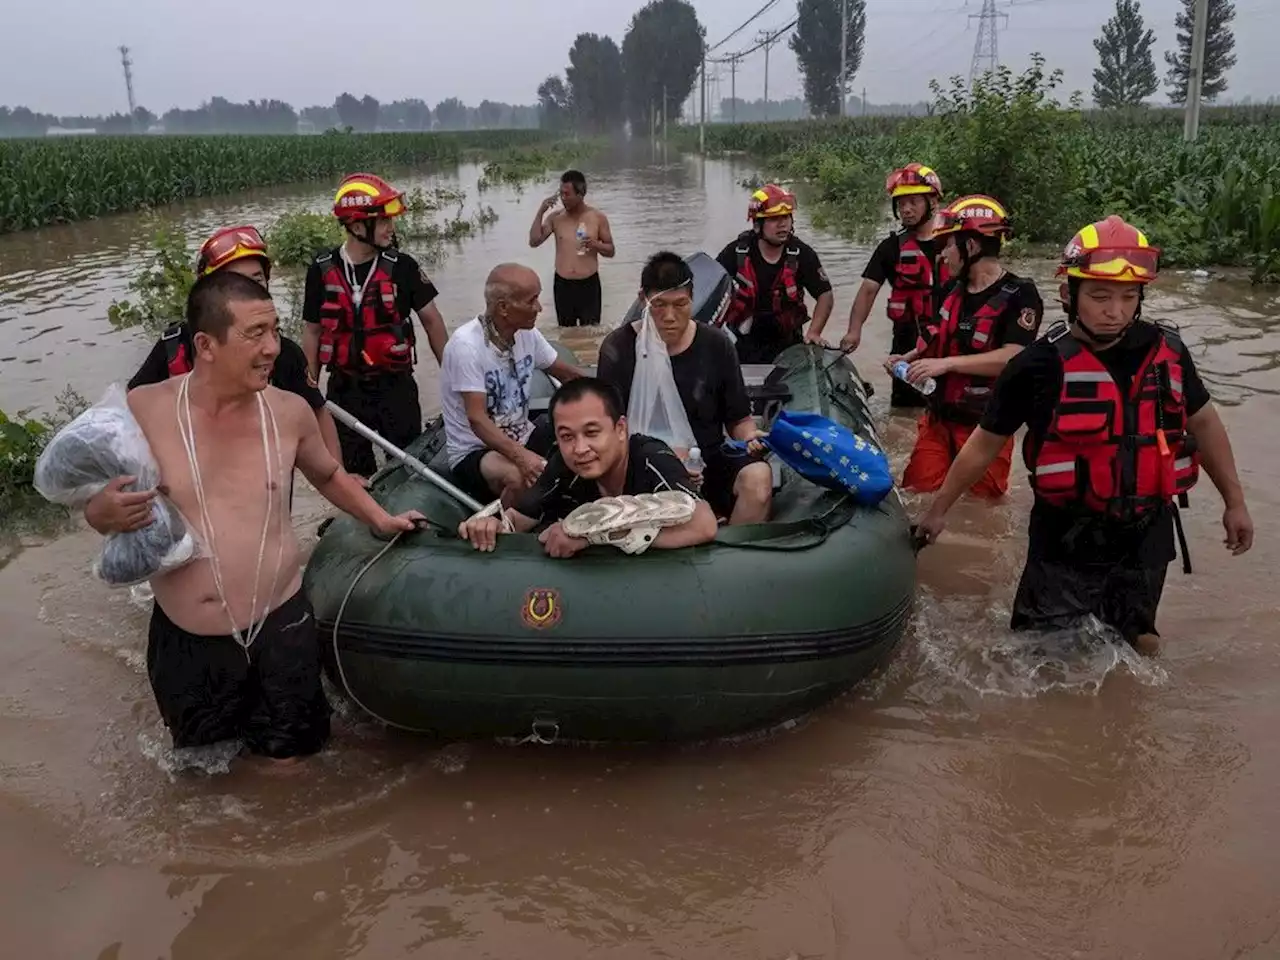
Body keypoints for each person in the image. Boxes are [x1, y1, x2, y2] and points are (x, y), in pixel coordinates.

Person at [82, 270, 426, 761]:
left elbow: (329, 476)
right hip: (188, 641)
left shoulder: (288, 413)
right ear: (206, 345)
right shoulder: (144, 409)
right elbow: (92, 497)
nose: (273, 348)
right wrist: (101, 512)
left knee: (294, 769)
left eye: (275, 330)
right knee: (203, 778)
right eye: (255, 334)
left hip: (280, 626)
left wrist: (379, 519)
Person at [914, 215, 1254, 655]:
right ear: (1067, 295)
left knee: (1138, 646)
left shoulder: (1168, 352)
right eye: (1099, 296)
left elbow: (1204, 423)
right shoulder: (1037, 366)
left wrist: (1236, 503)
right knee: (1042, 657)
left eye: (1129, 297)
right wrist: (939, 510)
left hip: (1145, 532)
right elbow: (984, 443)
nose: (1115, 312)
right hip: (1064, 539)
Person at [127, 225, 341, 462]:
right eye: (237, 282)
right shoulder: (175, 346)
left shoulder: (283, 352)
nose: (251, 290)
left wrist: (339, 473)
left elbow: (317, 412)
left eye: (257, 279)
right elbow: (128, 414)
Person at [597, 251, 772, 525]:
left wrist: (752, 438)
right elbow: (608, 429)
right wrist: (665, 459)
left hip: (706, 462)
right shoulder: (618, 349)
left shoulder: (716, 345)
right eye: (659, 305)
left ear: (692, 297)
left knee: (759, 478)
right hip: (642, 468)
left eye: (680, 304)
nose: (669, 316)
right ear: (643, 299)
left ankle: (733, 560)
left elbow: (738, 420)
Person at [888, 194, 1044, 500]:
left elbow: (1015, 355)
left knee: (982, 509)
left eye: (948, 245)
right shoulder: (949, 290)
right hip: (938, 418)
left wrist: (947, 365)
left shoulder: (1021, 295)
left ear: (970, 246)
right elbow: (937, 339)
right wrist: (907, 359)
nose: (944, 255)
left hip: (986, 428)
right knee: (916, 496)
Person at [458, 377, 718, 556]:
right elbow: (518, 519)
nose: (580, 449)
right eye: (567, 436)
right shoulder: (564, 466)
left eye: (592, 432)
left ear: (620, 429)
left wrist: (589, 536)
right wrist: (489, 525)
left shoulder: (652, 458)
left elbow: (703, 524)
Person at [301, 172, 449, 479]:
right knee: (354, 475)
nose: (390, 228)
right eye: (383, 221)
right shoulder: (320, 269)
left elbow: (433, 322)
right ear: (357, 226)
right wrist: (308, 394)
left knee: (408, 468)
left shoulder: (403, 267)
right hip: (344, 391)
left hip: (395, 387)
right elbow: (312, 332)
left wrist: (453, 379)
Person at [440, 263, 585, 505]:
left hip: (522, 434)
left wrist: (609, 402)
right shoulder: (466, 347)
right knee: (519, 477)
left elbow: (566, 374)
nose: (539, 308)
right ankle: (506, 527)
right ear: (504, 308)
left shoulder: (526, 333)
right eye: (532, 301)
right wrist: (522, 457)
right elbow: (477, 419)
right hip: (476, 450)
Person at [827, 164, 947, 410]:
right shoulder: (890, 248)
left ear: (933, 201)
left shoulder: (954, 244)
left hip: (946, 344)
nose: (906, 209)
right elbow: (868, 290)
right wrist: (854, 330)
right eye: (901, 203)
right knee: (904, 415)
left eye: (913, 201)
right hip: (904, 344)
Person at [714, 183, 834, 365]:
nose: (783, 224)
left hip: (789, 346)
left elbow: (825, 295)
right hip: (745, 343)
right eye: (774, 219)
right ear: (757, 224)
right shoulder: (736, 252)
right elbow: (710, 290)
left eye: (786, 217)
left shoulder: (802, 254)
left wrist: (814, 332)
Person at [528, 169, 615, 327]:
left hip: (589, 285)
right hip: (563, 285)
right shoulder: (556, 218)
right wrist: (541, 211)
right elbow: (534, 241)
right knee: (566, 333)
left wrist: (595, 244)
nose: (562, 198)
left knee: (590, 334)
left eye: (567, 194)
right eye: (561, 193)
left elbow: (610, 251)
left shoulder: (597, 217)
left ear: (580, 193)